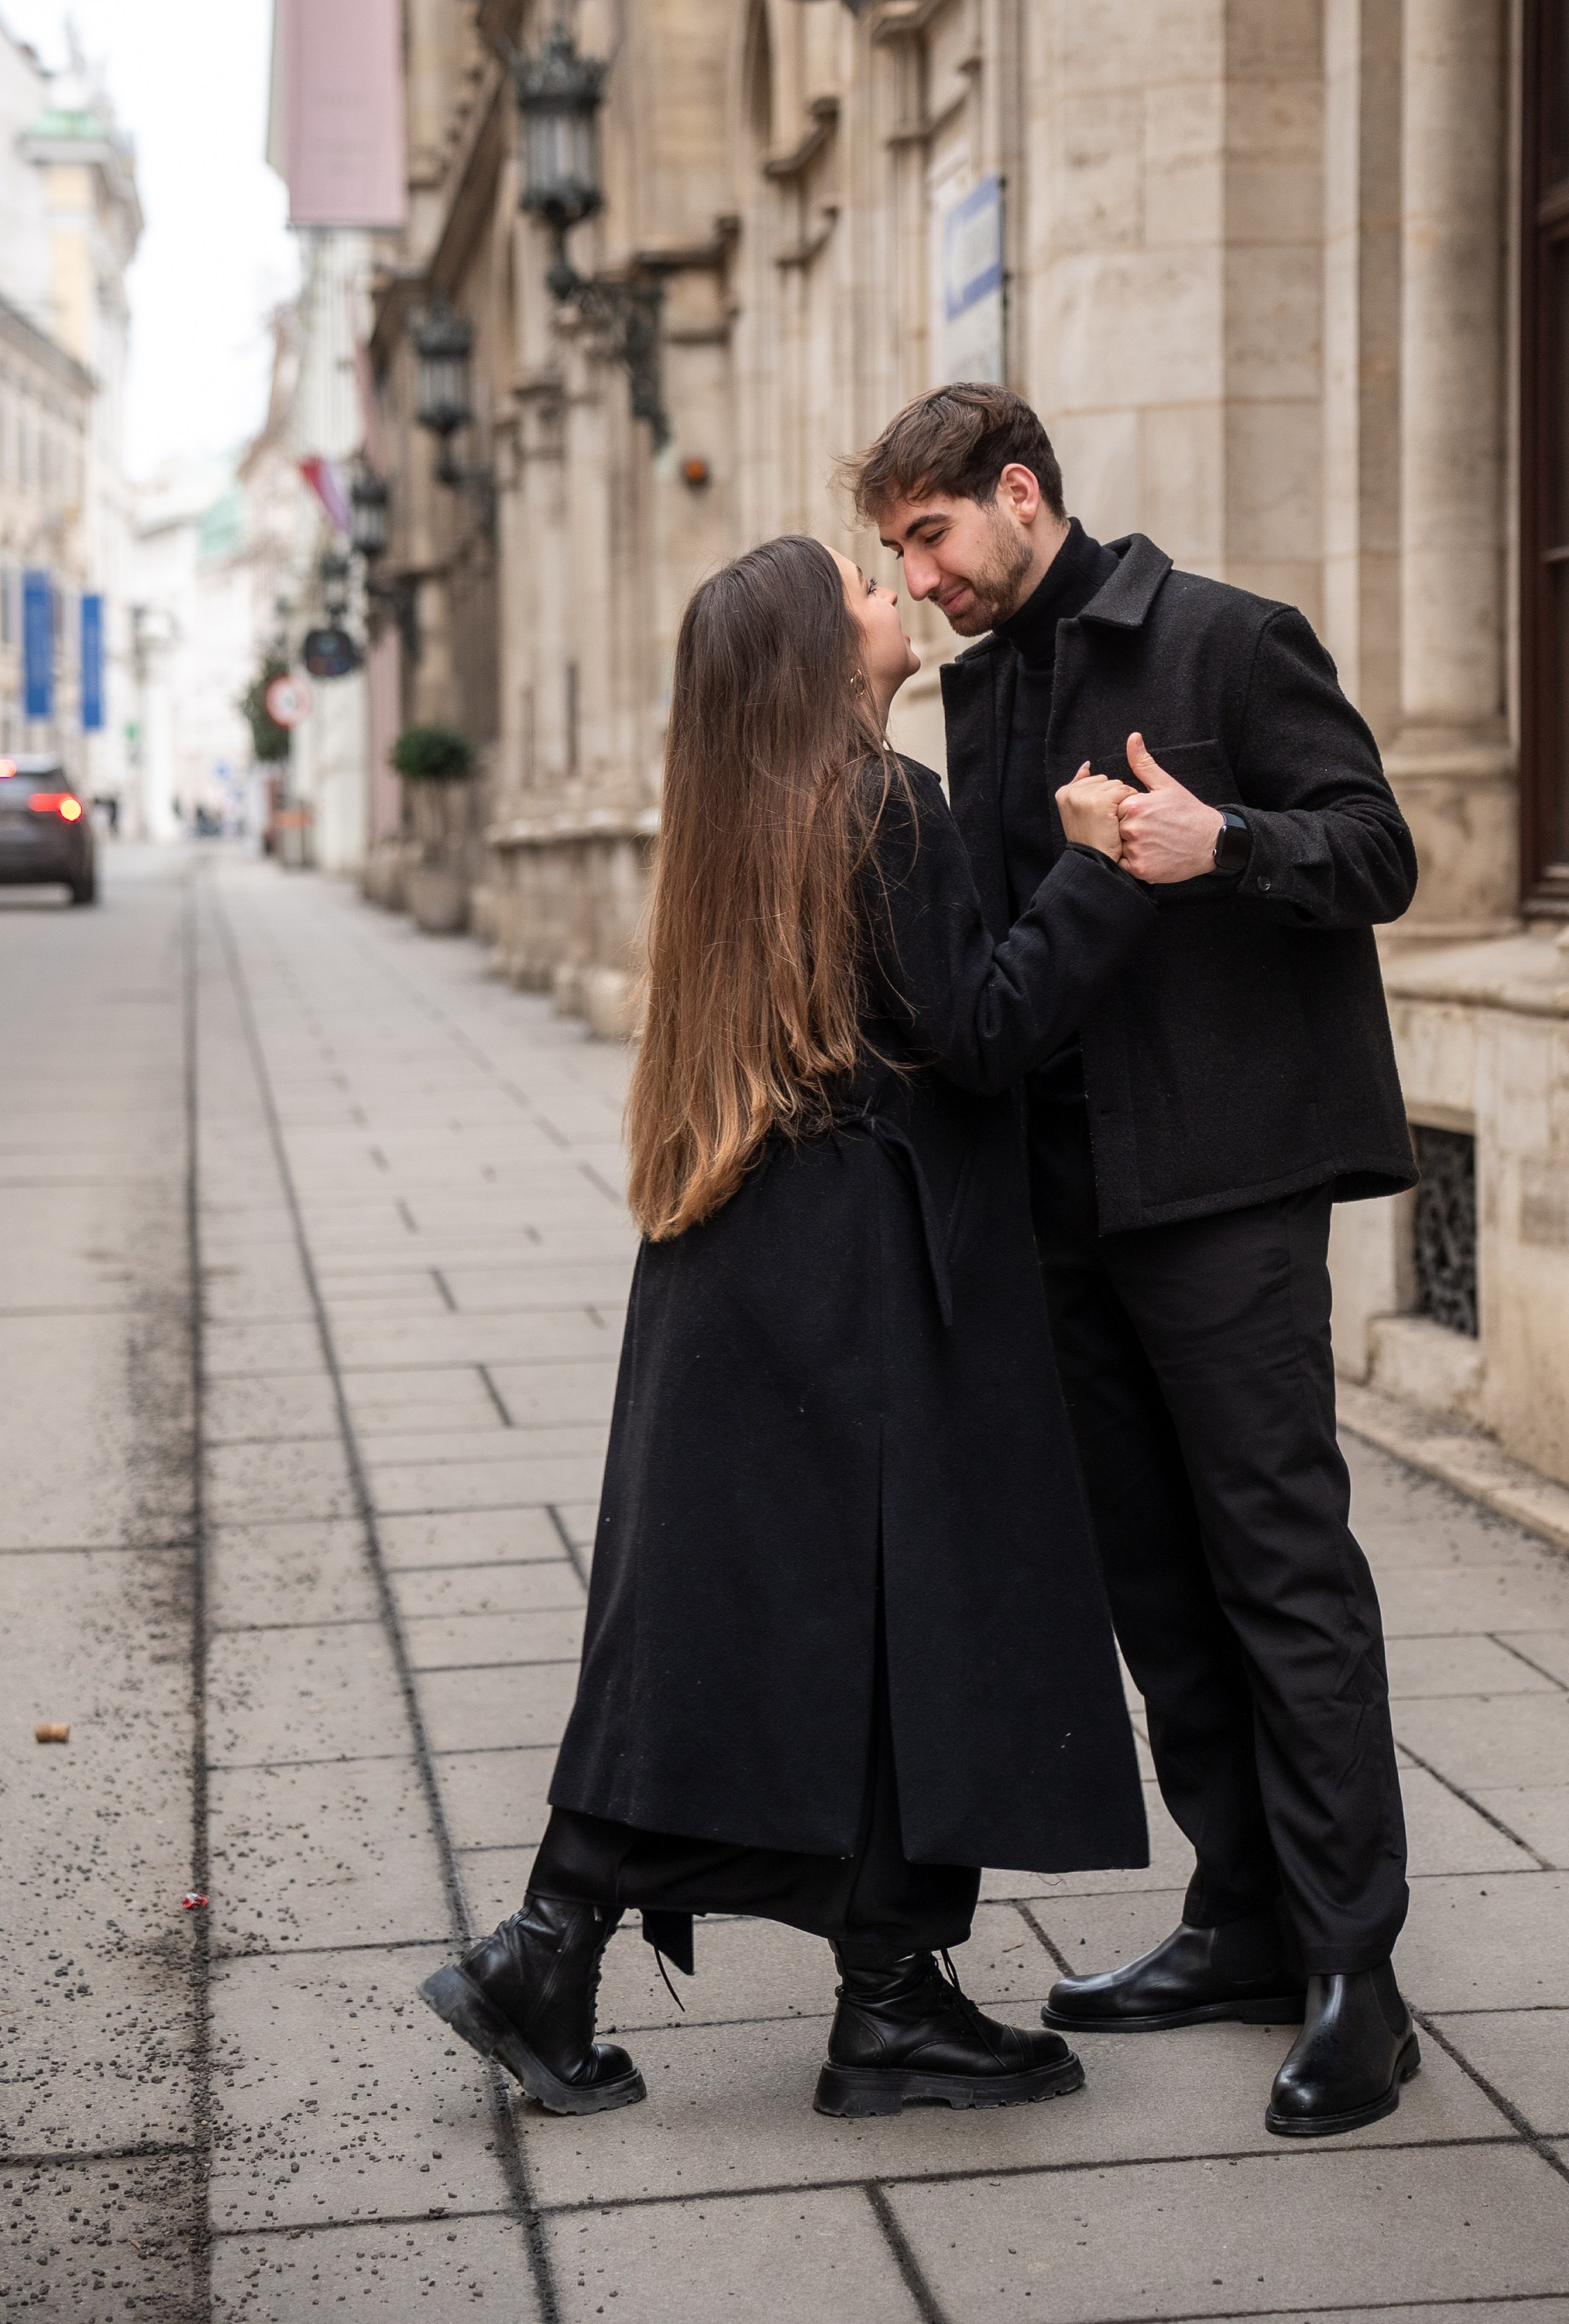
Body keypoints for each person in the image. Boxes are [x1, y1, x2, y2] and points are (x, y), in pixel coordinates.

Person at [421, 532, 1156, 2121]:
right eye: (864, 589)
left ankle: (671, 1965)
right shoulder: (881, 803)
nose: (895, 595)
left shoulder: (744, 817)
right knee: (893, 1612)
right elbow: (982, 1033)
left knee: (761, 1622)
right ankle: (826, 1992)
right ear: (823, 656)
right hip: (864, 1276)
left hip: (743, 1252)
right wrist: (1095, 868)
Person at [850, 382, 1422, 2139]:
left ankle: (1356, 1972)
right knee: (1155, 1589)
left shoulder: (1228, 639)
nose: (918, 576)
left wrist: (1223, 842)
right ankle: (1238, 1917)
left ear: (1018, 492)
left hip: (1226, 1191)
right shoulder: (976, 694)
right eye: (896, 551)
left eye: (930, 535)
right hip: (1061, 1211)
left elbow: (1380, 853)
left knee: (1279, 1567)